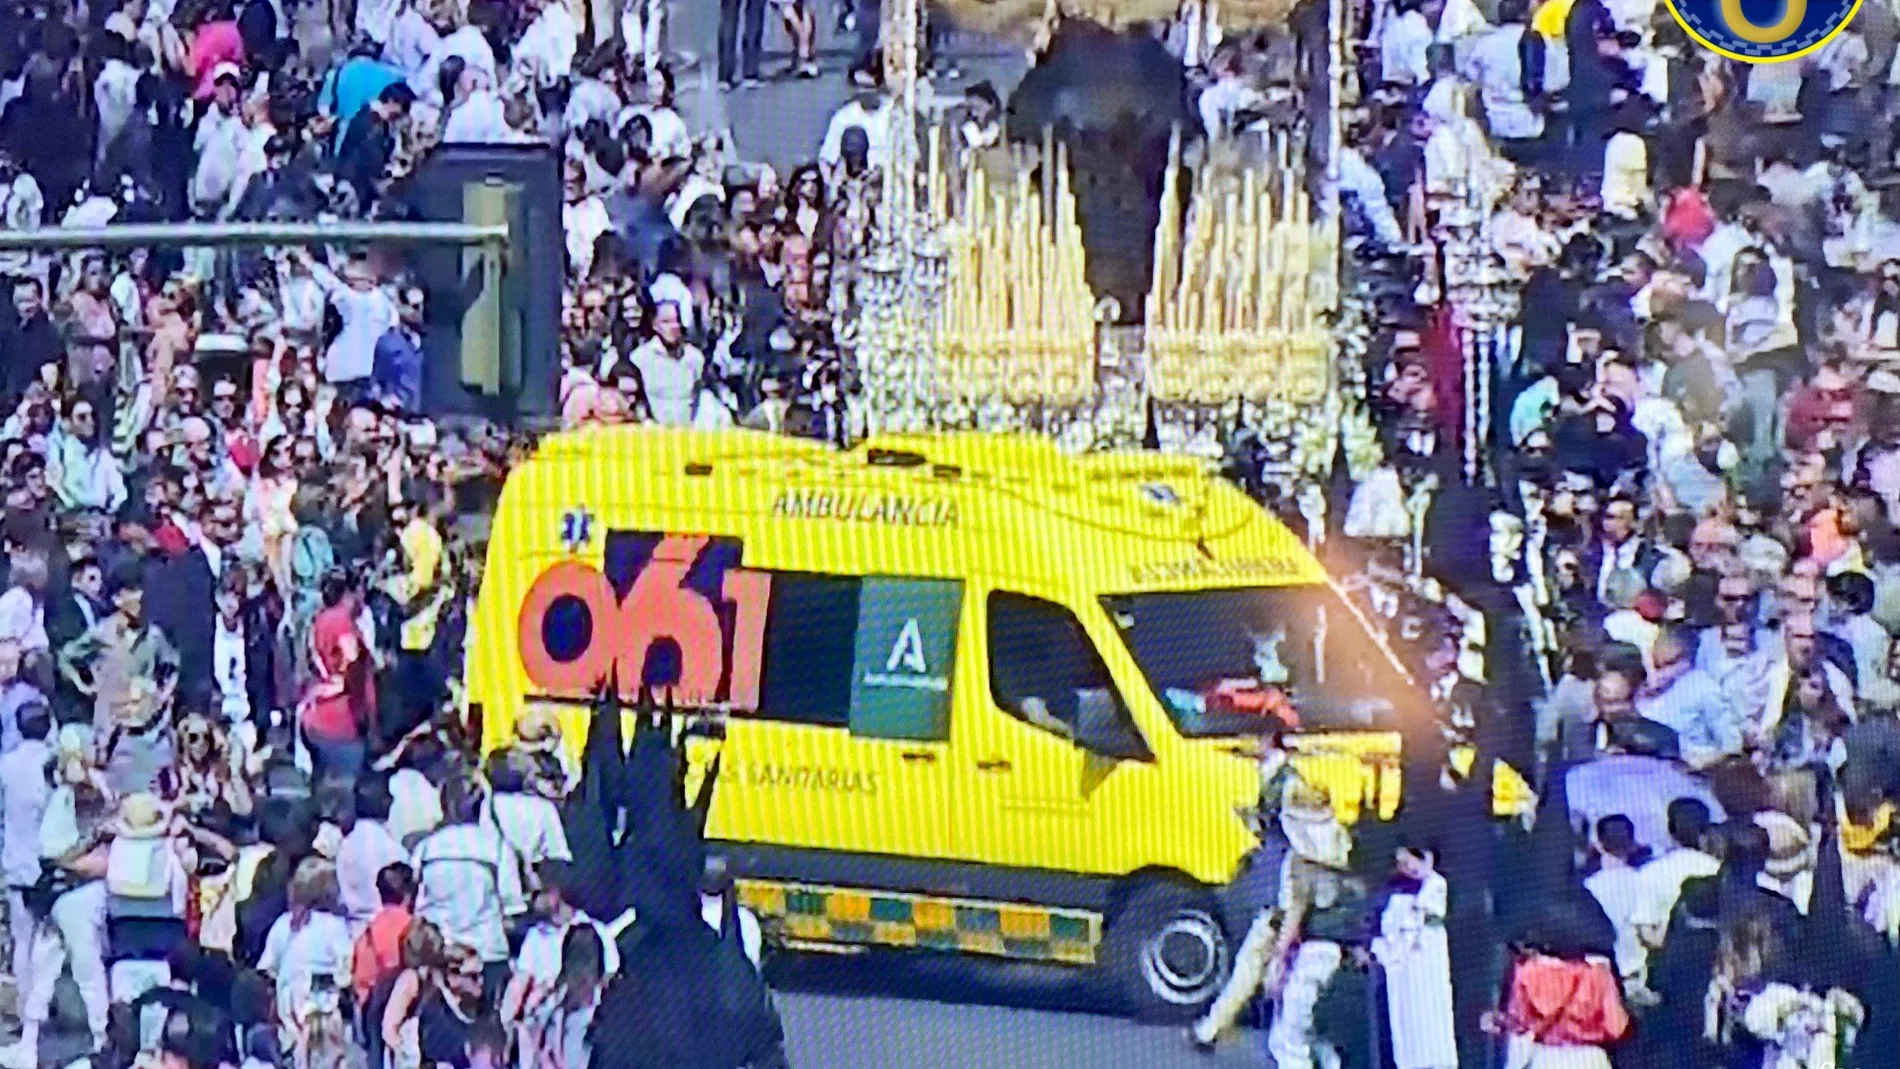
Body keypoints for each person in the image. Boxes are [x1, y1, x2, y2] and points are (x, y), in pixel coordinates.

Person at [1371, 839, 1457, 1069]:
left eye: (1409, 860)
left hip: (1428, 957)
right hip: (1403, 966)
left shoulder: (1436, 884)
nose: (1407, 867)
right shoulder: (1393, 891)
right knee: (1407, 1022)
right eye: (1401, 862)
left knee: (1433, 1019)